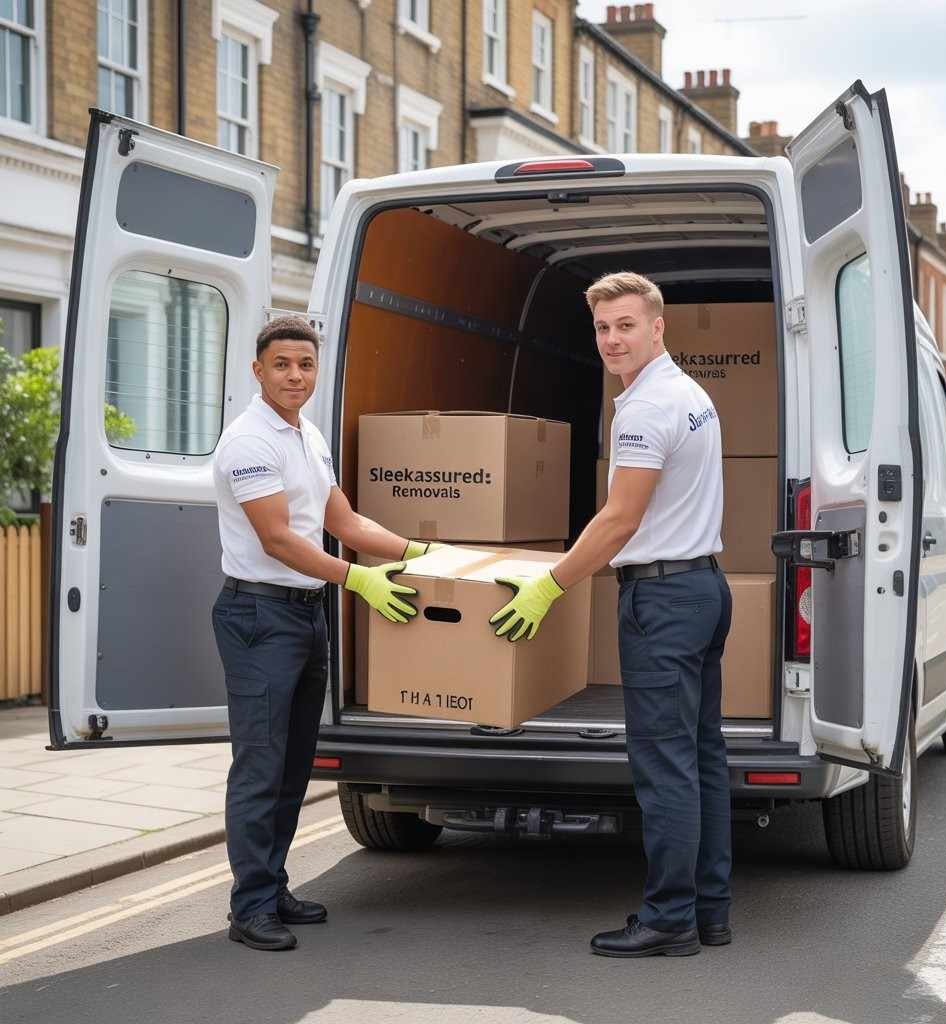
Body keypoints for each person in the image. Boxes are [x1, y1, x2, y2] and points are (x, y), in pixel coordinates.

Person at [489, 272, 732, 958]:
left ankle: (670, 918)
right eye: (602, 328)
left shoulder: (647, 408)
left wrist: (550, 584)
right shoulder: (691, 395)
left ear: (659, 327)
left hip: (663, 598)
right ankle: (708, 911)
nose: (612, 339)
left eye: (626, 324)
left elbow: (620, 518)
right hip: (703, 589)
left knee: (665, 767)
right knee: (702, 759)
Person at [212, 314, 438, 952]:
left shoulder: (305, 434)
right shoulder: (249, 442)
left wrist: (418, 551)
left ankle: (272, 884)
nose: (295, 375)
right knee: (259, 765)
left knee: (291, 764)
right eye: (282, 364)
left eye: (305, 365)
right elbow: (278, 538)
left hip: (304, 612)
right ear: (257, 371)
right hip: (258, 615)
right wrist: (357, 580)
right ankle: (249, 906)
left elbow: (339, 514)